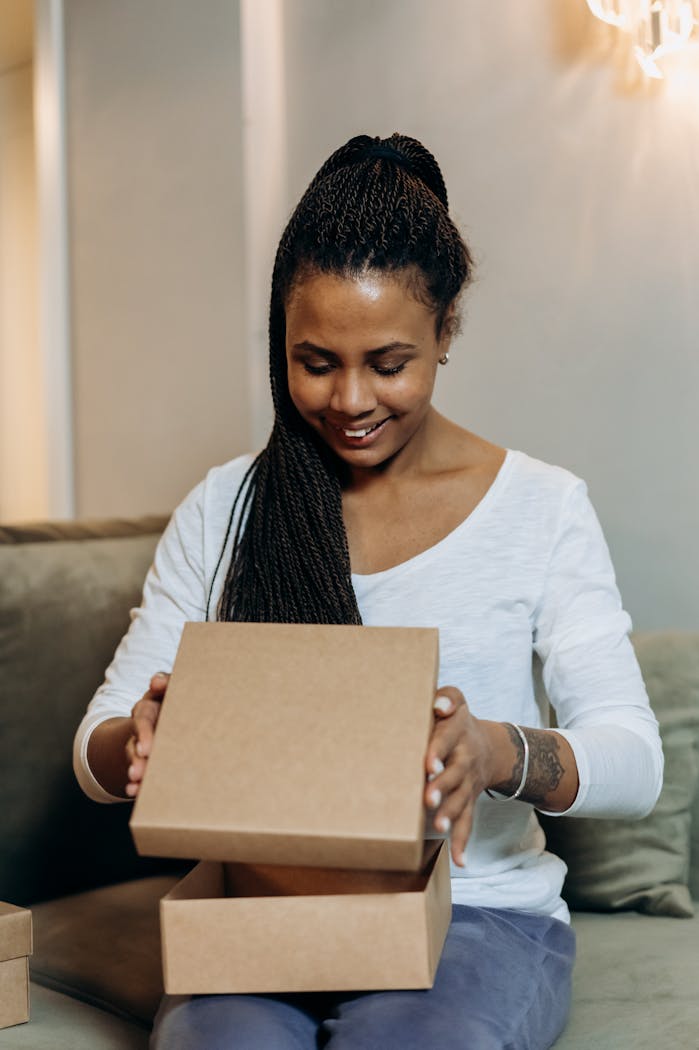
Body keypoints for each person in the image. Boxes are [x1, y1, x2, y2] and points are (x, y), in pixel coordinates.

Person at [74, 133, 663, 1050]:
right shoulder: (227, 507)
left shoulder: (541, 507)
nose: (350, 399)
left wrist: (496, 750)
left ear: (448, 330)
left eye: (389, 363)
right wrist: (143, 744)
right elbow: (95, 744)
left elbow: (636, 760)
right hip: (260, 915)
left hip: (478, 913)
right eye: (315, 361)